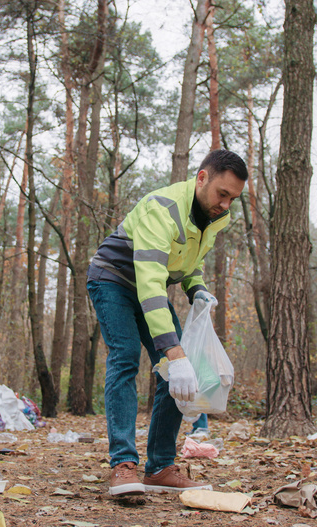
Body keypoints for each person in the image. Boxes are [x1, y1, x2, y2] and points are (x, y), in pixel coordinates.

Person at [87, 149, 247, 496]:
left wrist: (197, 289)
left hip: (152, 287)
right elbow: (149, 281)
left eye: (233, 198)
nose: (226, 205)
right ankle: (123, 465)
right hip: (113, 279)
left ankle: (159, 467)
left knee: (174, 373)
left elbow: (190, 262)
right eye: (223, 194)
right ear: (202, 178)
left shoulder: (215, 217)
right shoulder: (164, 208)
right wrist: (174, 353)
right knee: (127, 356)